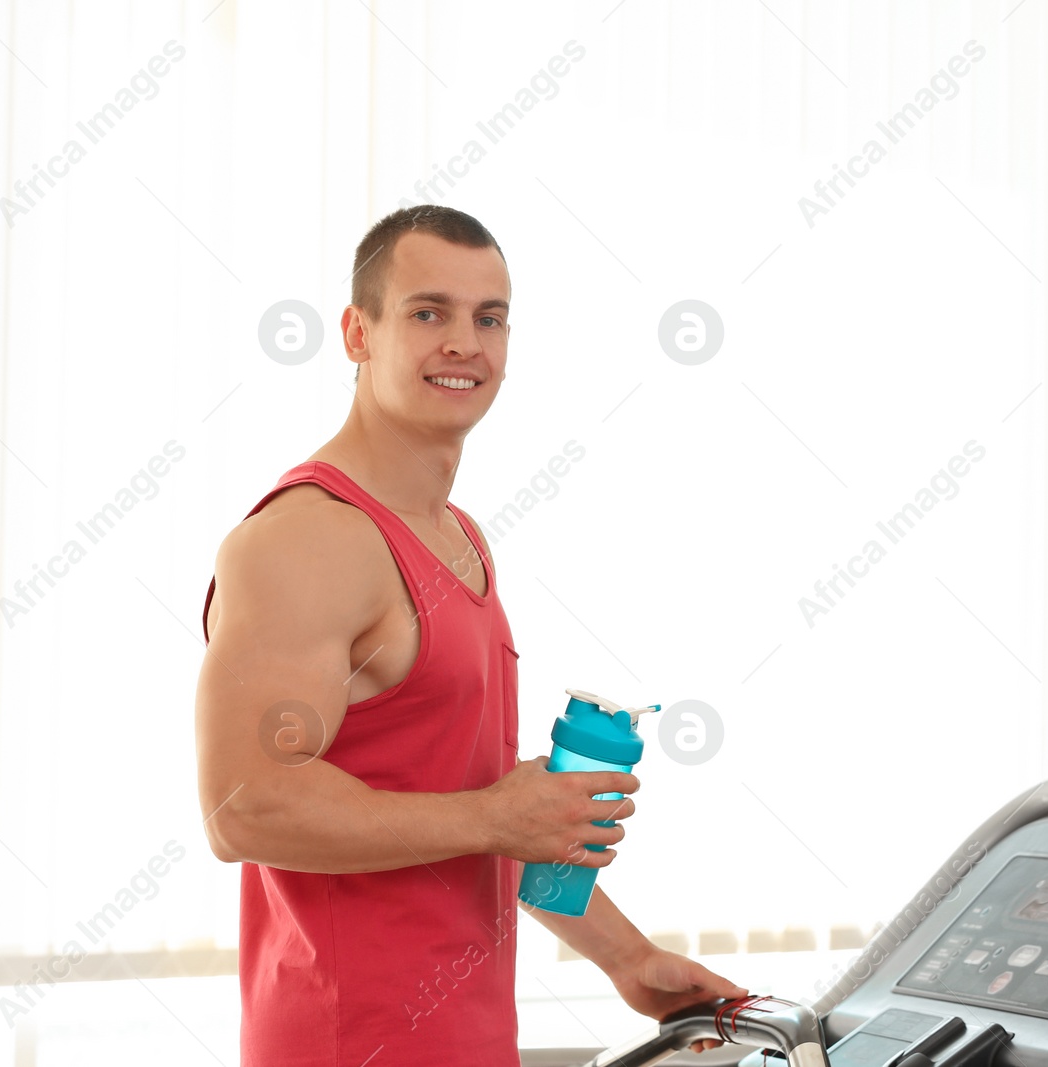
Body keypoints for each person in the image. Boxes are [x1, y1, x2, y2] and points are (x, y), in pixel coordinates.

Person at [195, 204, 746, 1065]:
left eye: (489, 318)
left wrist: (627, 957)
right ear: (356, 332)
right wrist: (495, 813)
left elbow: (475, 811)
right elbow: (245, 806)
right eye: (428, 312)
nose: (465, 342)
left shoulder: (460, 537)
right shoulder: (308, 537)